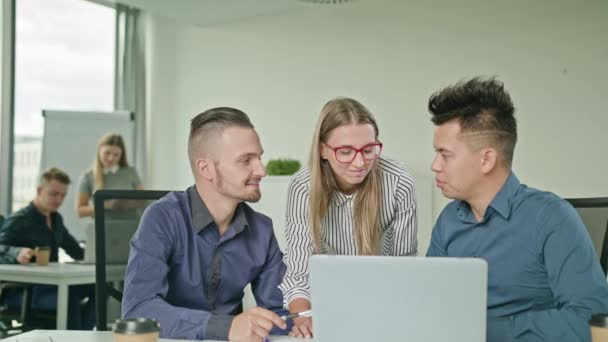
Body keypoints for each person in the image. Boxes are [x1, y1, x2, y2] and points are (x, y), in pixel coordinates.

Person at [425, 77, 608, 342]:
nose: (435, 165)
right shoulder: (448, 221)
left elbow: (594, 321)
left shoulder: (551, 217)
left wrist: (481, 330)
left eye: (446, 154)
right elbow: (431, 305)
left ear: (487, 159)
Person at [121, 107, 288, 341]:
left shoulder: (262, 230)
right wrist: (225, 327)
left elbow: (280, 313)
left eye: (259, 157)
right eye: (245, 160)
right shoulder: (162, 218)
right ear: (206, 168)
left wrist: (299, 322)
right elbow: (138, 310)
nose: (261, 170)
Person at [279, 97, 418, 338]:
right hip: (324, 307)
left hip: (384, 303)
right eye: (345, 152)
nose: (359, 162)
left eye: (368, 150)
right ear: (323, 149)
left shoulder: (398, 182)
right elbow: (299, 273)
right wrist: (304, 320)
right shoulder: (303, 187)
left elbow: (404, 266)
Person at [0, 167, 96, 330]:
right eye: (53, 194)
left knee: (99, 290)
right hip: (23, 292)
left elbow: (75, 250)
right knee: (69, 296)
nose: (58, 200)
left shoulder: (56, 219)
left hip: (52, 286)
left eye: (63, 195)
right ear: (39, 190)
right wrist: (17, 253)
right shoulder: (20, 220)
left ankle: (81, 336)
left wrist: (97, 254)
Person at [76, 133, 143, 218]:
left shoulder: (131, 172)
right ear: (99, 151)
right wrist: (106, 205)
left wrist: (127, 203)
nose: (111, 158)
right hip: (100, 228)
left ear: (121, 155)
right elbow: (80, 211)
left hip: (130, 226)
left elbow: (143, 201)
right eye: (107, 153)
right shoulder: (87, 176)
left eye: (116, 155)